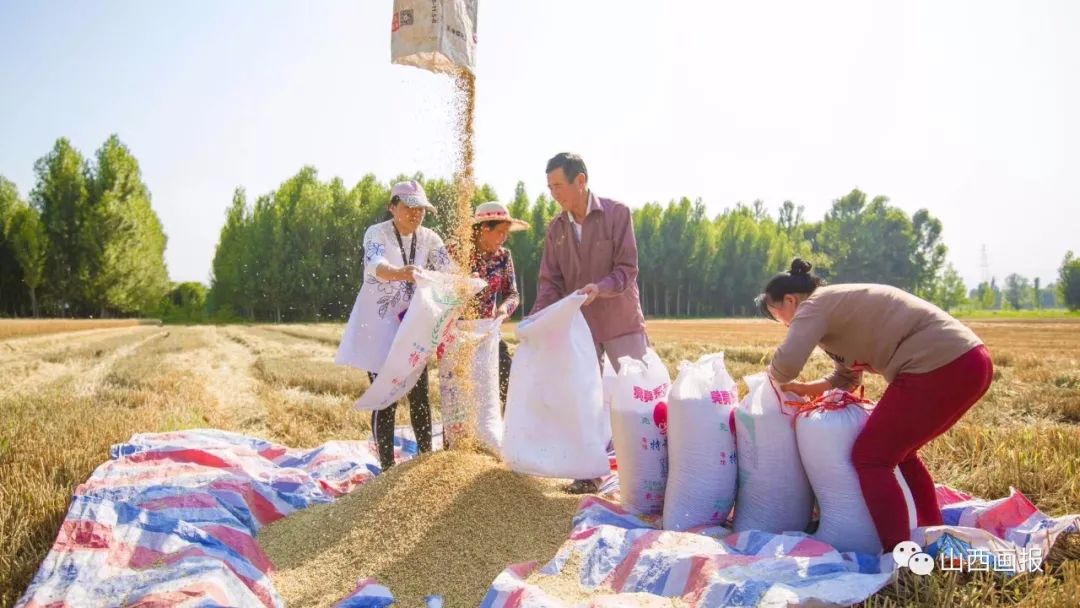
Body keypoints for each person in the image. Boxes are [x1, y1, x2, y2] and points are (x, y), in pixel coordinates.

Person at [756, 258, 993, 553]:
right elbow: (846, 377)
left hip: (938, 365)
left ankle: (899, 553)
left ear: (790, 301)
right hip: (968, 361)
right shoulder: (835, 308)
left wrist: (763, 385)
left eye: (777, 315)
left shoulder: (814, 306)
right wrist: (805, 389)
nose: (784, 324)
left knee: (870, 457)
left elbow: (786, 364)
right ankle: (931, 536)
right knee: (900, 455)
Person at [530, 152, 648, 494]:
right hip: (581, 332)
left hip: (621, 321)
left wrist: (602, 288)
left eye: (558, 185)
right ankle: (589, 472)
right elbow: (550, 282)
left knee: (639, 396)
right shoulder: (556, 229)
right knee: (584, 400)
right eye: (549, 187)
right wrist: (538, 318)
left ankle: (653, 467)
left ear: (581, 180)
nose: (554, 193)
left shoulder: (617, 214)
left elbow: (627, 270)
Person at [336, 180, 452, 471]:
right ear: (393, 207)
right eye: (409, 208)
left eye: (421, 209)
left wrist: (468, 281)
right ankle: (386, 468)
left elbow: (449, 269)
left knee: (420, 395)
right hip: (380, 324)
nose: (416, 214)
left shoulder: (430, 238)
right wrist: (401, 273)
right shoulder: (377, 233)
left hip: (414, 326)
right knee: (384, 396)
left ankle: (424, 462)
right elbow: (375, 264)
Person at [466, 201, 528, 407]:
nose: (505, 237)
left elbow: (513, 294)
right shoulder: (459, 253)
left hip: (489, 330)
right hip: (461, 335)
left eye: (506, 232)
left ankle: (506, 433)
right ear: (484, 228)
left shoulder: (504, 256)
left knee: (506, 380)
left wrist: (504, 309)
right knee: (463, 394)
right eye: (500, 232)